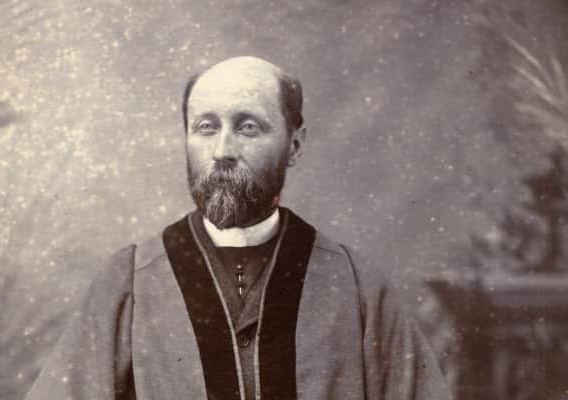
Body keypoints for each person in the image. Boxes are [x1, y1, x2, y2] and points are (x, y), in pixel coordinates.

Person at [26, 56, 452, 400]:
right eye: (206, 127)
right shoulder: (129, 284)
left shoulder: (357, 288)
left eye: (248, 127)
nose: (222, 151)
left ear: (294, 145)